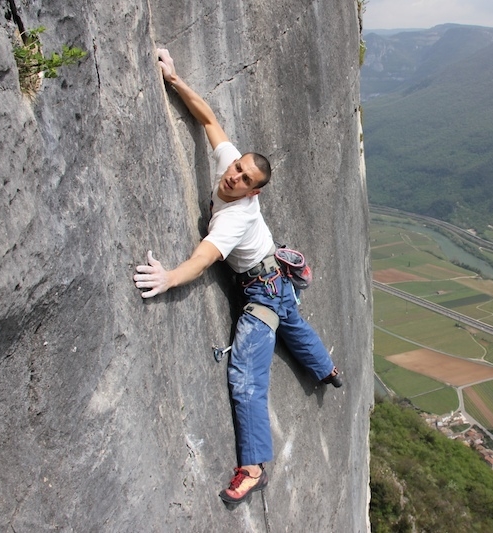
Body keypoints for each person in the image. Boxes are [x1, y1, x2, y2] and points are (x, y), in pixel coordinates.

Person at [134, 49, 343, 505]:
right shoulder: (230, 167)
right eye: (235, 168)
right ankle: (327, 369)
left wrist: (168, 278)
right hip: (277, 279)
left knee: (247, 376)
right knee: (294, 324)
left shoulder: (235, 219)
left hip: (261, 293)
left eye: (243, 177)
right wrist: (173, 78)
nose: (232, 176)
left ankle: (253, 468)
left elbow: (204, 258)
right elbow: (208, 120)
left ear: (255, 192)